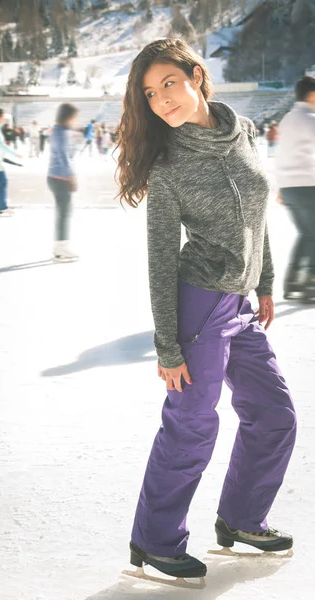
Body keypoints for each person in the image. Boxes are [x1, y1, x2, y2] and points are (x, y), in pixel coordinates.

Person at [116, 38, 296, 582]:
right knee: (192, 426)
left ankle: (242, 519)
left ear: (196, 75)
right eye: (150, 94)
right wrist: (167, 346)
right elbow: (159, 259)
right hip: (197, 303)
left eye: (168, 83)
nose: (161, 100)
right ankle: (154, 540)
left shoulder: (240, 133)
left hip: (240, 301)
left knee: (273, 414)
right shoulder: (169, 166)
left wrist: (263, 281)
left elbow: (257, 212)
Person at [275, 75, 315, 302]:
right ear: (311, 94)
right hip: (307, 184)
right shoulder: (309, 118)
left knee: (306, 233)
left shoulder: (288, 118)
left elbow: (282, 154)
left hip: (289, 186)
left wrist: (281, 186)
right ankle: (310, 282)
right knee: (313, 234)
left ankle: (292, 280)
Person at [47, 103, 79, 262]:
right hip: (60, 177)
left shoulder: (58, 131)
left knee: (63, 212)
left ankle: (60, 246)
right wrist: (71, 177)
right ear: (68, 117)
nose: (76, 120)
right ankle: (61, 248)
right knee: (64, 212)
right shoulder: (62, 133)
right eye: (74, 117)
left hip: (55, 176)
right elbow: (65, 157)